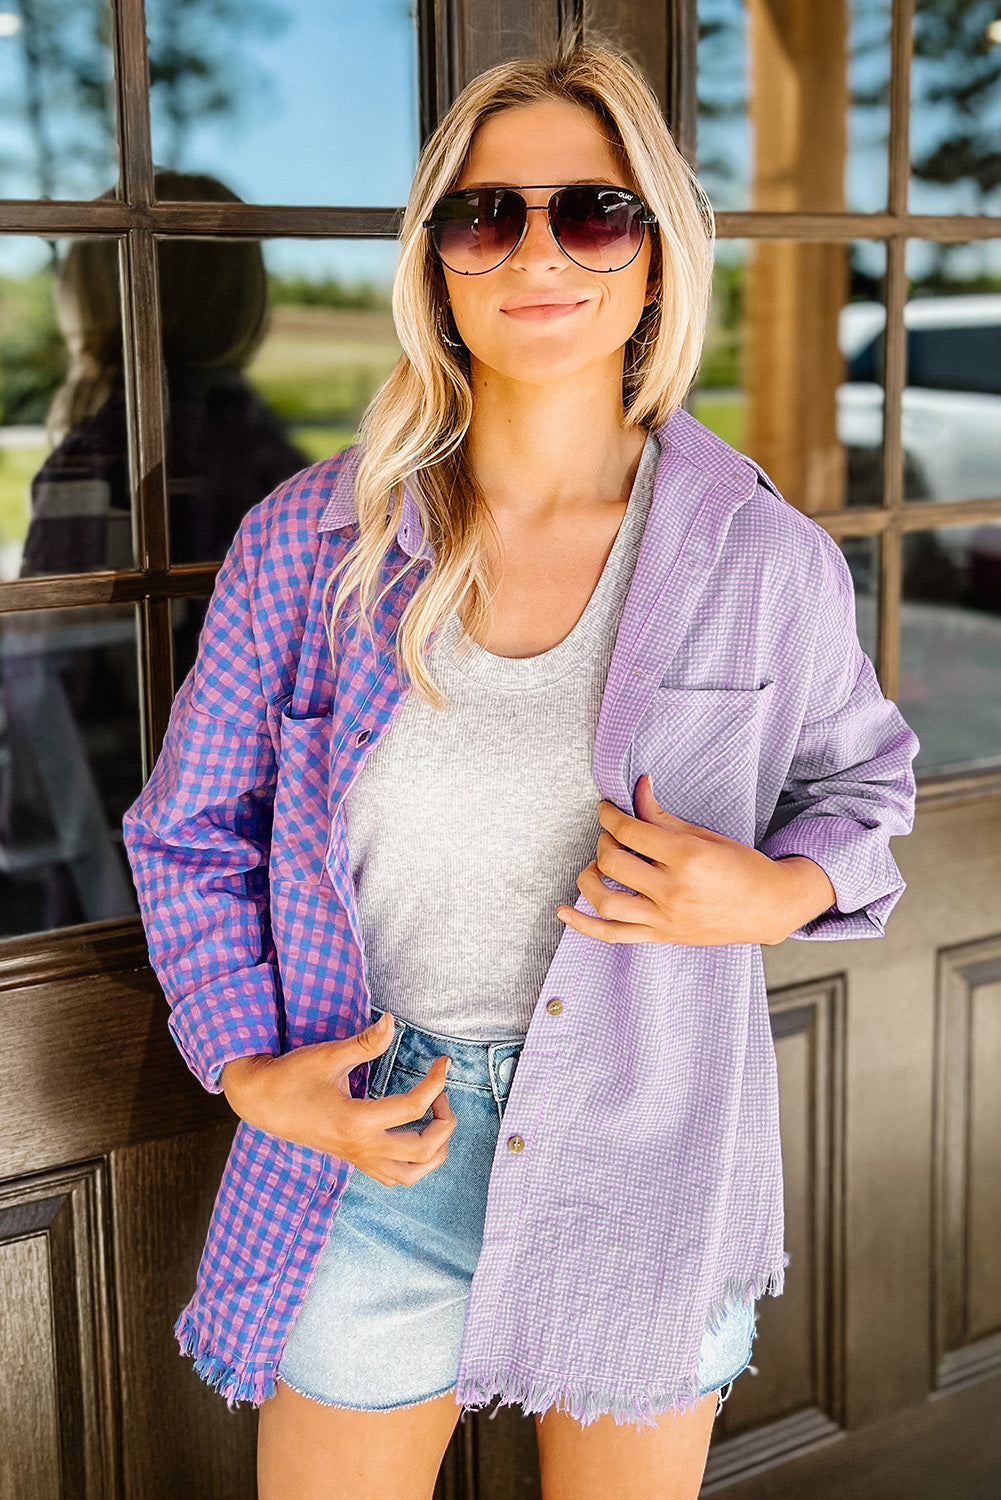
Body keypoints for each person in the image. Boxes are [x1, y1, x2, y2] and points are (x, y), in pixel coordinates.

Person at [122, 30, 920, 1500]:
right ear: (435, 263)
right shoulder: (310, 546)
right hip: (374, 1137)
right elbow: (188, 833)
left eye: (592, 210)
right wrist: (248, 1072)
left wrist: (775, 889)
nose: (536, 252)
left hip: (646, 1135)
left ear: (657, 256)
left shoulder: (759, 558)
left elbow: (866, 791)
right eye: (487, 215)